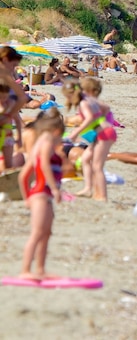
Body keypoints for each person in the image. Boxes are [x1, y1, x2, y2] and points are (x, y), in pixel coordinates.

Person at [17, 107, 63, 281]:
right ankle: (25, 270)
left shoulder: (39, 144)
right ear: (57, 131)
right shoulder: (46, 144)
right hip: (42, 193)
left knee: (46, 233)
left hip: (42, 195)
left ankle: (40, 269)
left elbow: (23, 176)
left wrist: (26, 197)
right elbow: (44, 164)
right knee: (37, 233)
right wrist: (56, 189)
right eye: (61, 138)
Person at [63, 77, 117, 202]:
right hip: (104, 133)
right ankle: (88, 189)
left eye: (68, 97)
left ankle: (102, 196)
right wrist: (103, 120)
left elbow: (89, 118)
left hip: (105, 135)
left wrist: (74, 134)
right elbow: (107, 108)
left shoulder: (83, 103)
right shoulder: (91, 100)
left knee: (97, 166)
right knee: (85, 159)